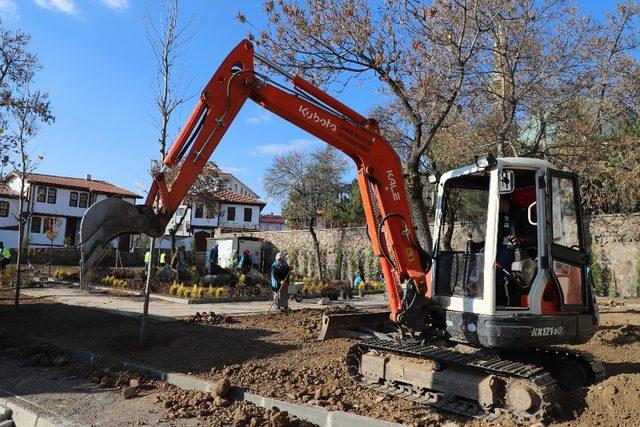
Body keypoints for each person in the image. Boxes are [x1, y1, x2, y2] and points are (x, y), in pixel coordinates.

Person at [496, 194, 537, 305]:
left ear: (500, 200)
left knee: (504, 257)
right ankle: (474, 284)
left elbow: (535, 236)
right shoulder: (497, 217)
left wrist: (520, 241)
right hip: (501, 248)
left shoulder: (522, 214)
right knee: (482, 252)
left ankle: (492, 285)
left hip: (519, 250)